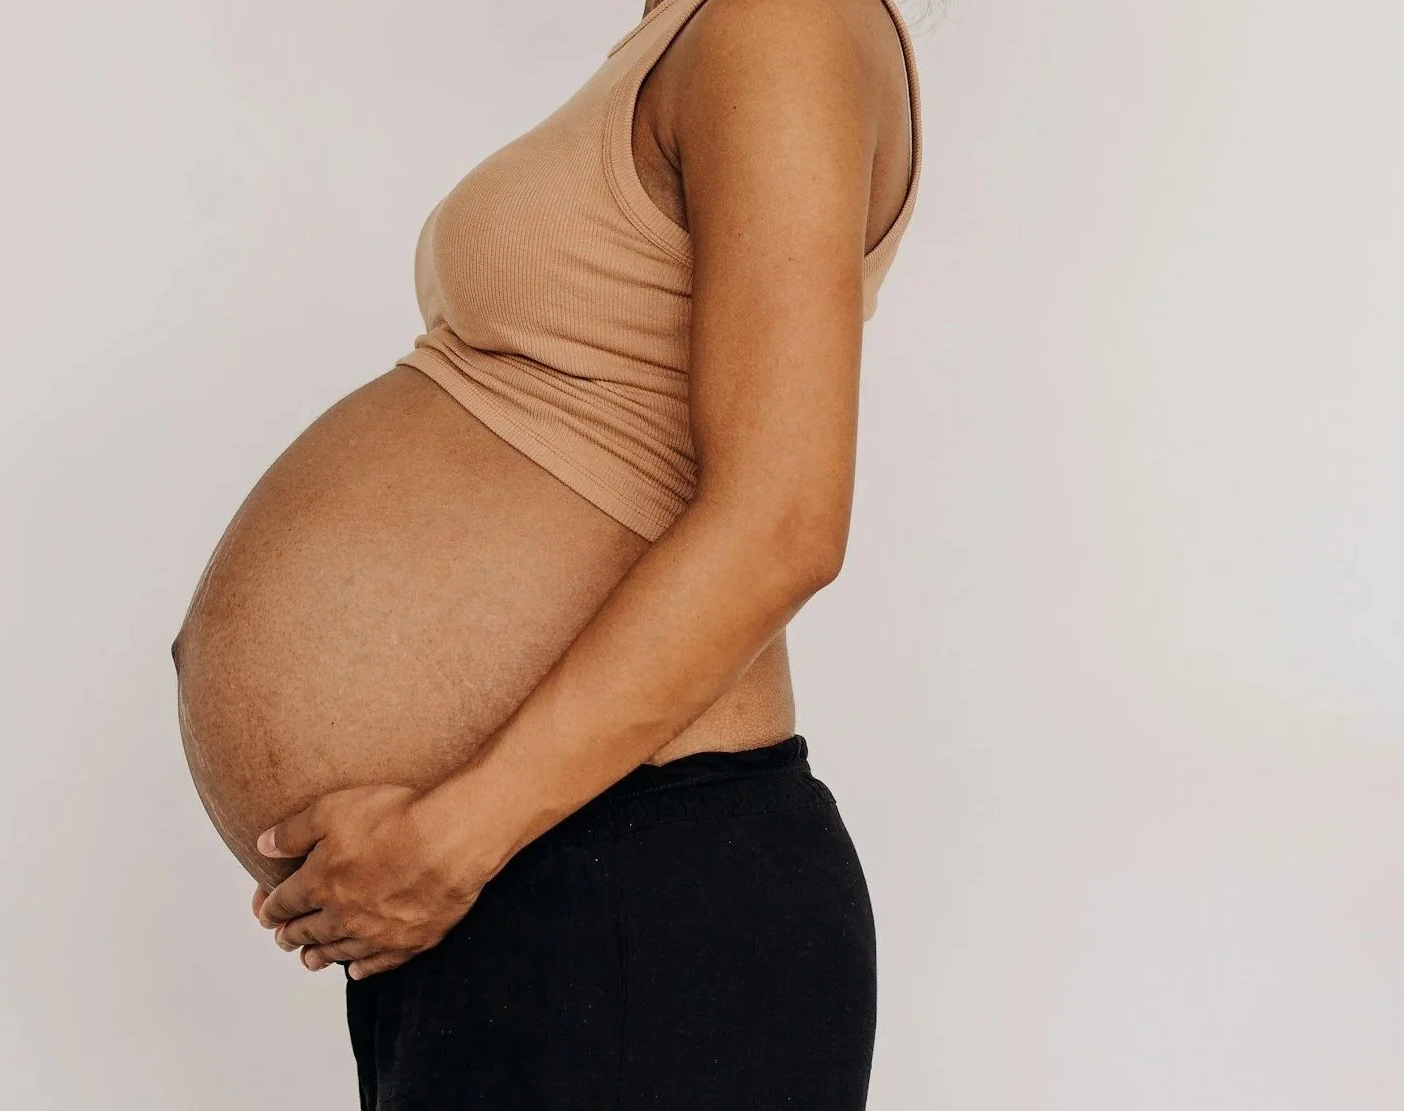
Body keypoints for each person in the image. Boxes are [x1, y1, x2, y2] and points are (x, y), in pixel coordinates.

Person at [171, 0, 923, 1105]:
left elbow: (783, 523)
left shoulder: (785, 20)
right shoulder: (694, 29)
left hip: (627, 889)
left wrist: (453, 836)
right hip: (523, 893)